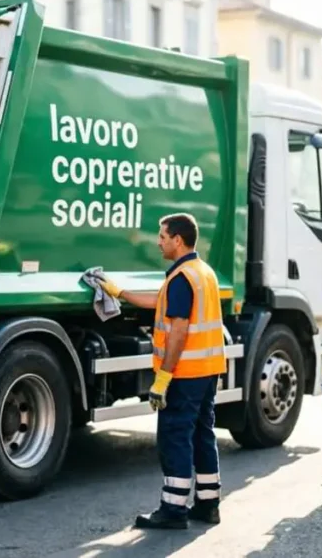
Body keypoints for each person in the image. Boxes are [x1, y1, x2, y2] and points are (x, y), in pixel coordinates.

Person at [101, 213, 226, 529]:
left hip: (184, 373)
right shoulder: (201, 272)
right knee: (201, 434)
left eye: (162, 236)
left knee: (175, 438)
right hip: (206, 370)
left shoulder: (183, 277)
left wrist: (164, 377)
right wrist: (121, 293)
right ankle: (208, 504)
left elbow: (179, 331)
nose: (158, 242)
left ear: (178, 240)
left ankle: (173, 510)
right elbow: (161, 302)